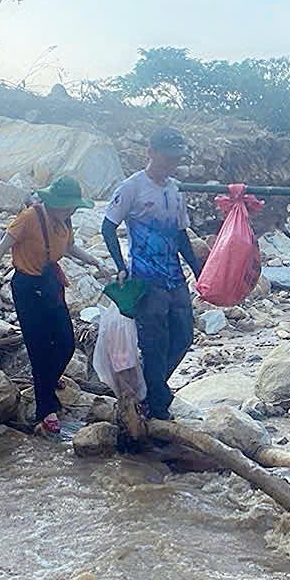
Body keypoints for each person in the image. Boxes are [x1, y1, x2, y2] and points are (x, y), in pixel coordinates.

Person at [0, 176, 113, 435]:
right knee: (39, 350)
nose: (72, 211)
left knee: (65, 343)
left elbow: (70, 248)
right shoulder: (30, 218)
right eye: (69, 206)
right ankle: (45, 410)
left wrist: (96, 263)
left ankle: (47, 381)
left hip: (50, 283)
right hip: (27, 287)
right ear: (55, 203)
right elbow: (1, 248)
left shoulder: (65, 220)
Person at [100, 127, 203, 420]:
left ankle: (150, 389)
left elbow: (181, 233)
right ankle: (157, 406)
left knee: (183, 336)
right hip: (146, 280)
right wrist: (121, 266)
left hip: (174, 277)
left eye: (176, 159)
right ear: (151, 153)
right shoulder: (131, 187)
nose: (171, 164)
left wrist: (197, 269)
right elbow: (108, 227)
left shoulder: (175, 189)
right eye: (167, 158)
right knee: (154, 344)